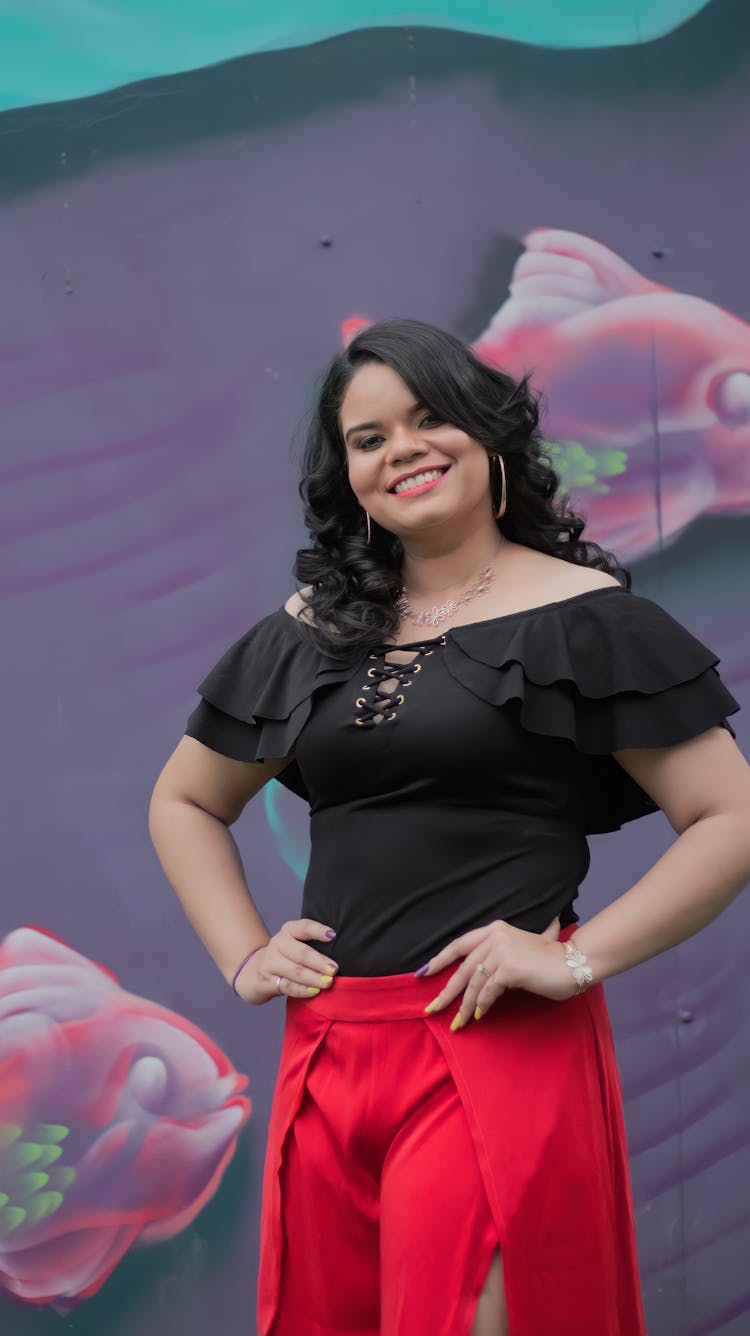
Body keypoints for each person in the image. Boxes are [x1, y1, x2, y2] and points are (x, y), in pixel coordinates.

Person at [148, 318, 750, 1336]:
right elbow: (185, 800)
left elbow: (728, 817)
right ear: (348, 474)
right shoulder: (310, 630)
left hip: (495, 1047)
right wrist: (244, 954)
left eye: (429, 419)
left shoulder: (584, 617)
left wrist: (575, 960)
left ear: (489, 436)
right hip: (329, 1053)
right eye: (369, 437)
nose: (403, 450)